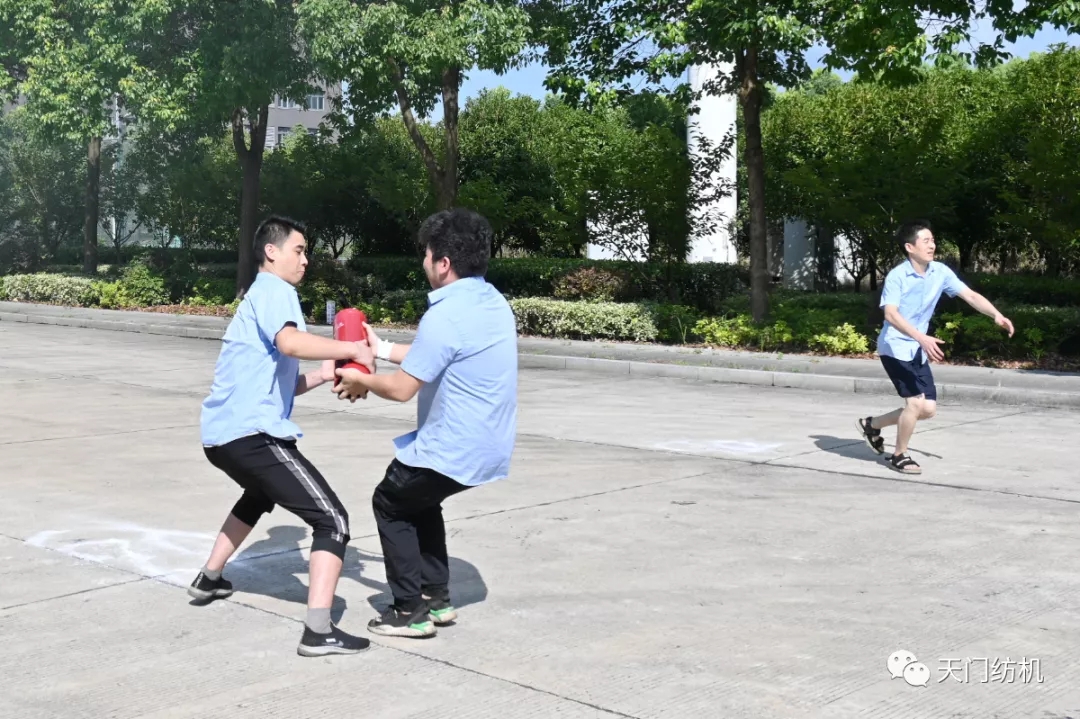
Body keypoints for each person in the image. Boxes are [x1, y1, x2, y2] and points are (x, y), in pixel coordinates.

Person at [190, 215, 376, 657]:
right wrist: (352, 349)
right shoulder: (275, 290)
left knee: (258, 495)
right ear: (271, 252)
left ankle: (209, 578)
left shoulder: (257, 297)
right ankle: (318, 632)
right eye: (299, 250)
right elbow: (291, 343)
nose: (305, 260)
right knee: (332, 520)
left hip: (221, 437)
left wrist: (324, 374)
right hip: (251, 434)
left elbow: (280, 385)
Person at [333, 208, 518, 638]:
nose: (423, 262)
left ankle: (409, 611)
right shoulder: (492, 301)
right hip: (488, 444)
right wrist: (380, 349)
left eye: (426, 254)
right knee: (420, 500)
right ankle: (436, 598)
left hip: (453, 446)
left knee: (390, 501)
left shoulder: (445, 315)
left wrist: (361, 379)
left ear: (443, 263)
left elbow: (402, 389)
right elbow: (435, 355)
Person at [857, 219, 1014, 474]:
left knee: (927, 410)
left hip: (918, 348)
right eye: (926, 241)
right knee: (915, 403)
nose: (932, 245)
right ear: (910, 247)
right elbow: (891, 315)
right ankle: (899, 455)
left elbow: (970, 295)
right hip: (895, 347)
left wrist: (996, 314)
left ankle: (872, 425)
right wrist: (921, 337)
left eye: (933, 240)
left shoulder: (940, 272)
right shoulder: (898, 276)